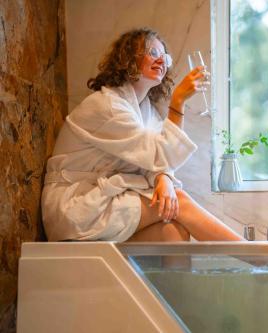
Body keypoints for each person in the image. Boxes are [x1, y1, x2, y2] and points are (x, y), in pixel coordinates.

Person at [41, 28, 243, 243]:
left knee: (173, 233)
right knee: (179, 202)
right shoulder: (107, 106)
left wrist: (162, 178)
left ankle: (255, 264)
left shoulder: (146, 110)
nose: (161, 61)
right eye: (152, 53)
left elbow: (157, 160)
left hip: (102, 200)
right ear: (128, 58)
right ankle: (260, 260)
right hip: (75, 205)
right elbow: (160, 154)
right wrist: (178, 103)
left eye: (164, 56)